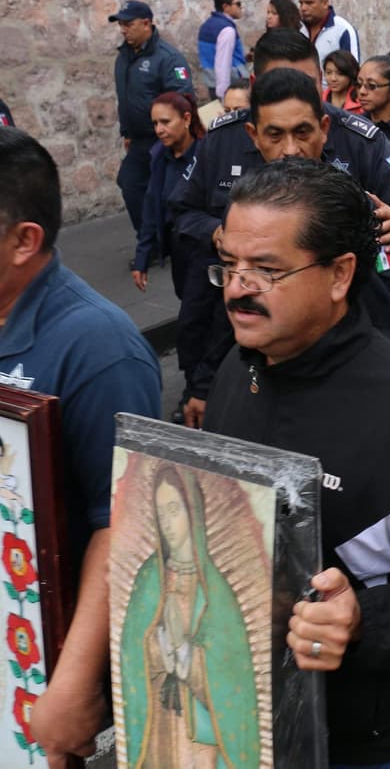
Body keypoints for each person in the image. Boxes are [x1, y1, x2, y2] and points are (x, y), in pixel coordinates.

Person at [202, 159, 390, 768]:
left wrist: (361, 620)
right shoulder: (237, 372)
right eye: (231, 265)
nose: (238, 288)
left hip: (367, 739)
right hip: (246, 709)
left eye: (267, 270)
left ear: (341, 274)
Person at [170, 31, 390, 425]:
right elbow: (183, 216)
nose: (291, 149)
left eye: (303, 131)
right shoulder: (222, 142)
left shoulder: (359, 140)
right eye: (275, 134)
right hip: (253, 352)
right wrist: (202, 382)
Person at [0, 129, 161, 764]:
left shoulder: (98, 347)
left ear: (24, 241)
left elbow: (121, 520)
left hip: (37, 651)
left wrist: (70, 683)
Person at [118, 465, 256, 767]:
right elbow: (130, 652)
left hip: (200, 735)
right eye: (161, 513)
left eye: (174, 510)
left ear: (192, 511)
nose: (167, 523)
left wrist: (188, 658)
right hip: (159, 727)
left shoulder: (216, 591)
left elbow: (234, 675)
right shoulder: (148, 578)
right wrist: (157, 648)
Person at [111, 0, 194, 235]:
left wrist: (175, 135)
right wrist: (126, 132)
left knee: (170, 190)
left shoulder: (168, 58)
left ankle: (175, 236)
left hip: (163, 139)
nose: (123, 29)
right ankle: (150, 238)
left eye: (128, 24)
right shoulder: (124, 56)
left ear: (146, 23)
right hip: (138, 140)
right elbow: (126, 97)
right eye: (121, 24)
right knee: (130, 184)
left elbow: (182, 97)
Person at [132, 91, 204, 300]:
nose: (159, 130)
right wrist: (142, 258)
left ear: (187, 119)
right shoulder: (159, 158)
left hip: (204, 250)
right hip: (178, 248)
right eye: (155, 124)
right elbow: (151, 207)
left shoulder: (206, 153)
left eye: (165, 122)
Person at [197, 0, 248, 101]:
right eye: (238, 4)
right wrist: (223, 94)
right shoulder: (227, 30)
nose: (241, 7)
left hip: (212, 84)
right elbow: (223, 63)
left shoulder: (206, 26)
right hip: (230, 87)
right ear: (226, 7)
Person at [298, 0, 359, 64]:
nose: (303, 8)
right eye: (301, 3)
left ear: (325, 3)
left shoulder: (343, 30)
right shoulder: (297, 29)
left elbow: (353, 70)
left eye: (309, 3)